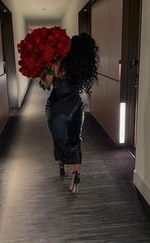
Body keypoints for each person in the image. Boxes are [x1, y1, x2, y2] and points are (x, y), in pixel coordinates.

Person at [40, 32, 99, 192]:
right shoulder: (82, 67)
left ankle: (61, 168)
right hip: (74, 108)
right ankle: (76, 174)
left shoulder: (58, 62)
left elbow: (46, 84)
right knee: (75, 139)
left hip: (55, 107)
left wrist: (45, 69)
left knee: (58, 138)